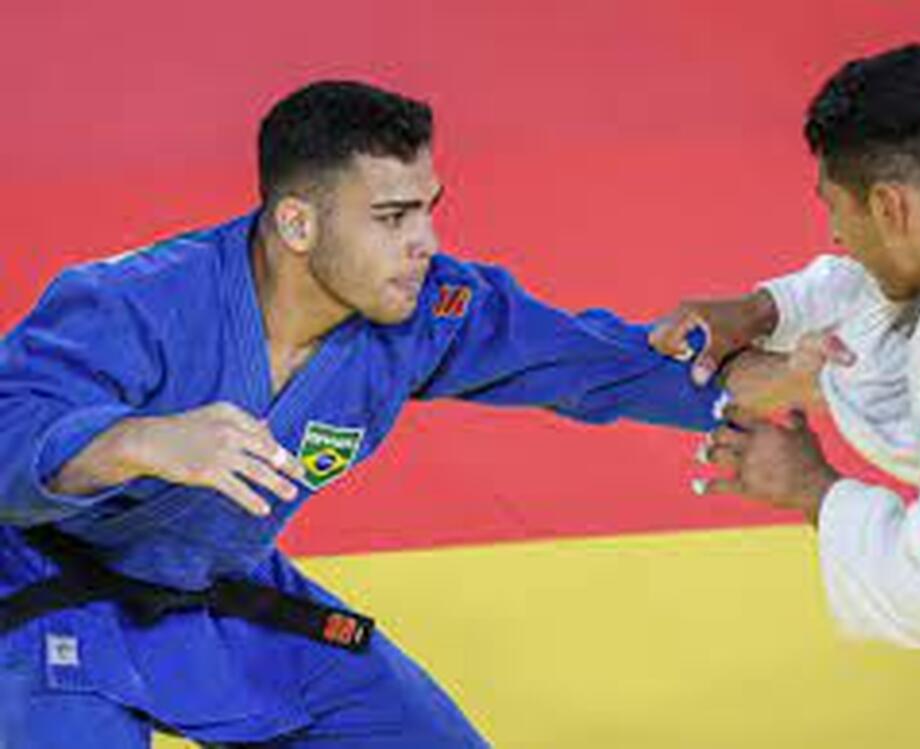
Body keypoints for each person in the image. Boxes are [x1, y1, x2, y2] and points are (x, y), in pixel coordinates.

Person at [0, 80, 726, 747]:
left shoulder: (418, 311)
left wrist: (748, 380)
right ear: (298, 223)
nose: (426, 244)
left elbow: (585, 357)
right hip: (41, 594)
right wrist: (137, 440)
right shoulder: (133, 301)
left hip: (217, 595)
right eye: (391, 217)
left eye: (427, 210)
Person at [650, 43, 920, 652]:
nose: (837, 236)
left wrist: (812, 488)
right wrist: (767, 309)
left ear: (889, 205)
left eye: (836, 210)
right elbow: (876, 288)